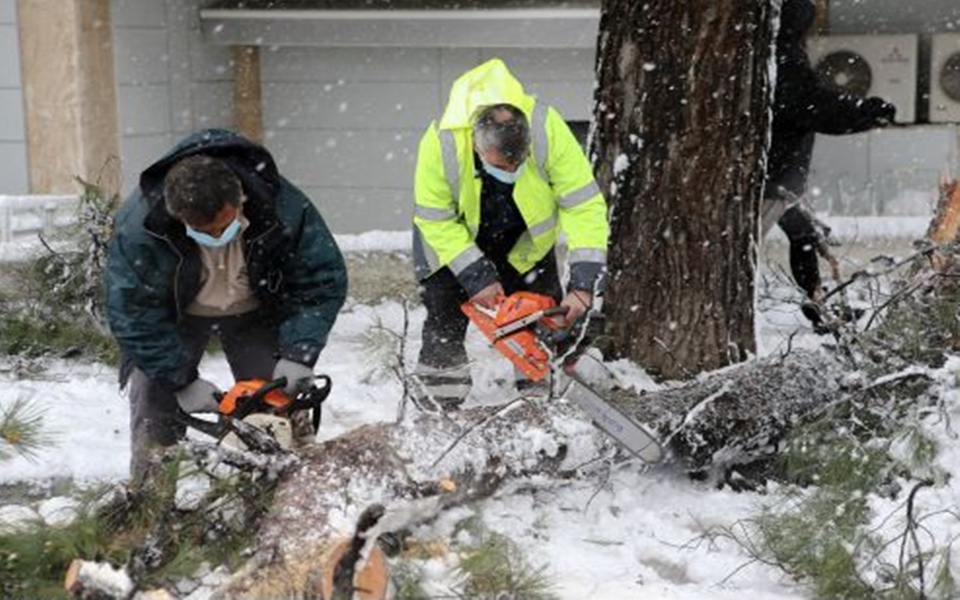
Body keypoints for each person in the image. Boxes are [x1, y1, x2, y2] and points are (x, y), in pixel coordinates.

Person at [105, 128, 348, 483]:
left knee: (272, 407)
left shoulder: (283, 207)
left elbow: (321, 280)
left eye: (223, 226)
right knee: (152, 405)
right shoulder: (141, 226)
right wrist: (179, 380)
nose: (216, 238)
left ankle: (276, 499)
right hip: (177, 318)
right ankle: (150, 502)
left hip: (255, 311)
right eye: (204, 231)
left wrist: (298, 351)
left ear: (241, 198)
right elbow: (132, 313)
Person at [411, 58, 609, 411]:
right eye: (503, 166)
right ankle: (435, 412)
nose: (514, 171)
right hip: (451, 245)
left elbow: (584, 206)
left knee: (546, 322)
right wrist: (476, 277)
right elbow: (436, 218)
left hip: (526, 244)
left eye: (519, 163)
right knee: (444, 328)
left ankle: (543, 406)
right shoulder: (440, 142)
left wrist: (582, 283)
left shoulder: (547, 127)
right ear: (475, 143)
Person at [764, 0, 896, 332]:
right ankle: (814, 304)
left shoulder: (767, 50)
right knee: (738, 255)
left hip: (775, 174)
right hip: (769, 178)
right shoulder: (782, 54)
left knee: (804, 233)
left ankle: (817, 303)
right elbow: (809, 105)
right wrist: (864, 111)